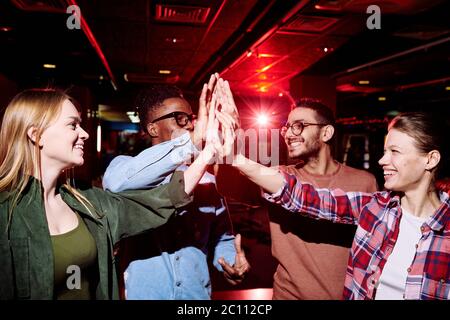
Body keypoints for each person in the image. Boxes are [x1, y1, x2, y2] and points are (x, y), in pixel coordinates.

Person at [0, 88, 223, 300]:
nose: (85, 134)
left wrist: (206, 153)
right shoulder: (5, 212)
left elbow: (161, 200)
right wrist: (190, 144)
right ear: (36, 135)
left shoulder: (89, 202)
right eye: (72, 125)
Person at [227, 111, 449, 300]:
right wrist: (234, 157)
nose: (382, 160)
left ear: (430, 160)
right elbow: (302, 195)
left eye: (395, 152)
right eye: (384, 151)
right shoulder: (375, 209)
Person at [103, 76, 250, 300]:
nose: (191, 125)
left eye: (191, 118)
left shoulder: (207, 181)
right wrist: (191, 142)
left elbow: (222, 239)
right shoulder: (124, 169)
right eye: (180, 119)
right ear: (153, 128)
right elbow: (115, 183)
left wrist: (231, 263)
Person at [217, 98, 378, 299]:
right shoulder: (277, 177)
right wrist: (232, 135)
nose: (290, 134)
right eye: (287, 127)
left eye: (299, 126)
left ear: (326, 132)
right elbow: (227, 183)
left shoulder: (364, 183)